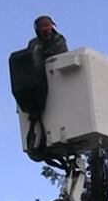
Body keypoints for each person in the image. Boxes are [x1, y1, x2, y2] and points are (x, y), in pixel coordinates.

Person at [10, 14, 70, 153]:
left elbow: (58, 56)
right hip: (36, 88)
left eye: (48, 28)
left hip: (55, 84)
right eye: (43, 30)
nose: (47, 32)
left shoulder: (59, 40)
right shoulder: (33, 44)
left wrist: (42, 55)